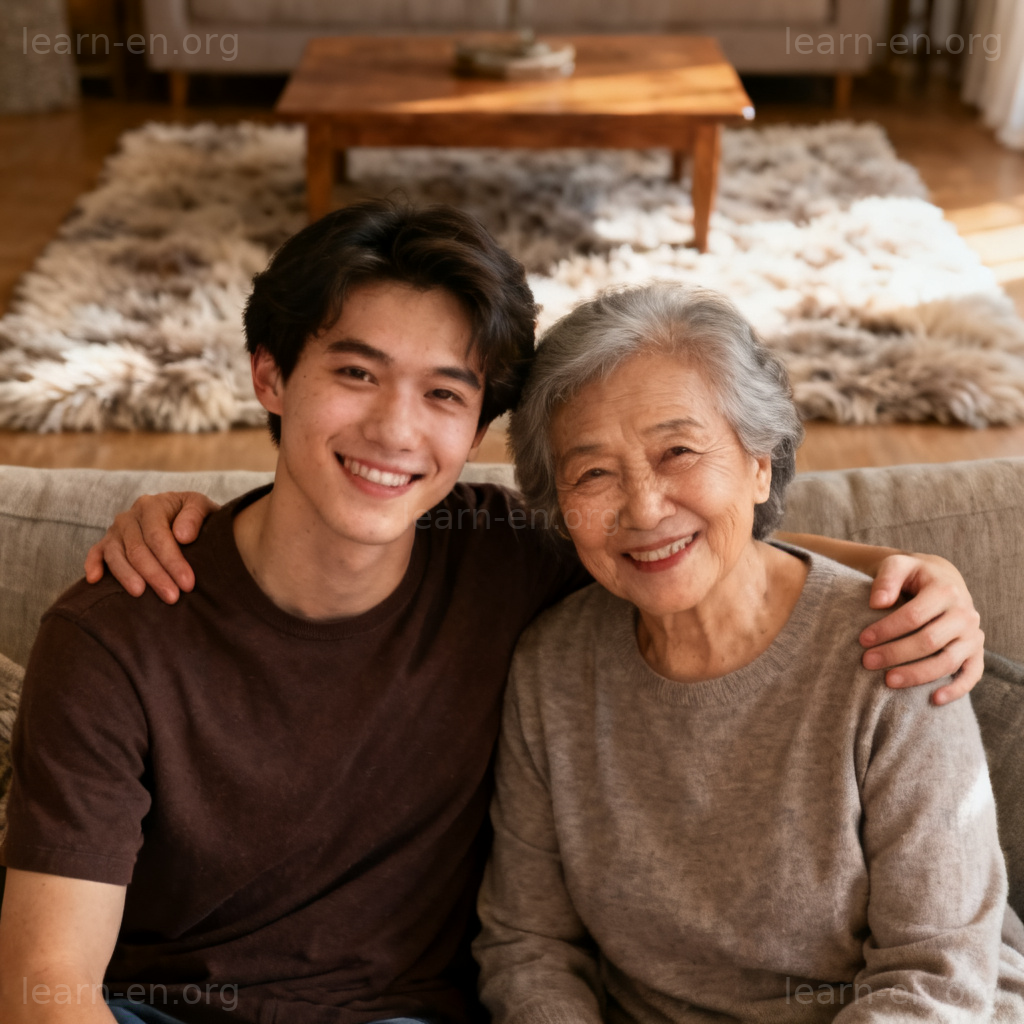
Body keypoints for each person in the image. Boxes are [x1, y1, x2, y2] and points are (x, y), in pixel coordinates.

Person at [0, 200, 984, 1024]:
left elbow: (684, 546)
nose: (395, 428)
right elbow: (46, 988)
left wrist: (911, 571)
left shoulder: (502, 555)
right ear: (270, 375)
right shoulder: (120, 626)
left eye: (443, 392)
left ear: (475, 426)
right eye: (355, 372)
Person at [473, 282, 1024, 1024]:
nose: (644, 507)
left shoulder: (898, 647)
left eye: (678, 451)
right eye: (593, 472)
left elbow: (936, 977)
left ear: (760, 463)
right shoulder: (552, 666)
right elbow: (528, 944)